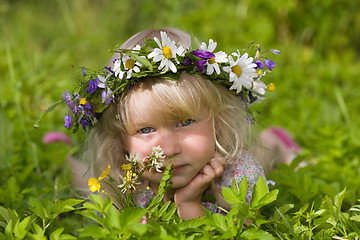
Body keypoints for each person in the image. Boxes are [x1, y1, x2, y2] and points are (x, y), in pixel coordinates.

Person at [62, 28, 282, 220]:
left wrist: (189, 205)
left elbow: (242, 233)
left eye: (185, 122)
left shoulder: (238, 177)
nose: (168, 149)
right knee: (85, 180)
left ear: (219, 122)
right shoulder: (127, 184)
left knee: (265, 154)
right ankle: (61, 154)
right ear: (120, 142)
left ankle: (277, 144)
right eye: (146, 129)